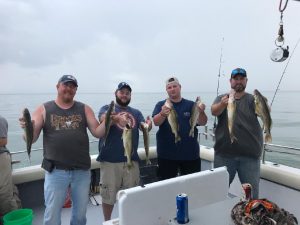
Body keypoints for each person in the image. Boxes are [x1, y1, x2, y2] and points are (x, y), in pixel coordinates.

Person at [20, 75, 106, 225]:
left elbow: (98, 133)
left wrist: (109, 120)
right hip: (55, 171)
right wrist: (27, 128)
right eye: (66, 85)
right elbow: (31, 138)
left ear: (76, 90)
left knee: (80, 214)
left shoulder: (84, 108)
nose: (69, 88)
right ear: (57, 86)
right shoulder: (44, 108)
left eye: (73, 86)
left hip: (81, 170)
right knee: (52, 214)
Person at [97, 82, 152, 221]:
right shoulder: (107, 108)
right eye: (122, 92)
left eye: (127, 93)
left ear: (130, 95)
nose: (124, 95)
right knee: (108, 196)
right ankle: (108, 221)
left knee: (131, 195)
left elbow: (143, 127)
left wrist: (148, 125)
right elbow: (103, 117)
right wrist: (116, 118)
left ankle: (130, 220)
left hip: (131, 160)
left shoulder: (136, 112)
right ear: (116, 93)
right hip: (109, 160)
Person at [211, 68, 263, 199]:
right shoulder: (222, 98)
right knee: (218, 193)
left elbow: (263, 113)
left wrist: (262, 102)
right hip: (224, 155)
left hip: (250, 156)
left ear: (246, 81)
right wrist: (223, 104)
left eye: (241, 79)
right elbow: (214, 111)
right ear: (230, 81)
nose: (238, 81)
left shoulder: (252, 99)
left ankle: (250, 218)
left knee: (252, 196)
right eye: (236, 79)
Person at [152, 77, 207, 180]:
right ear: (166, 90)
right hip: (166, 155)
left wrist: (202, 112)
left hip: (190, 155)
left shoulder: (191, 105)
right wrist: (162, 114)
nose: (172, 89)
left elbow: (202, 122)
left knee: (192, 187)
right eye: (169, 87)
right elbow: (156, 122)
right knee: (167, 187)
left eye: (174, 86)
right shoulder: (161, 105)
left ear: (180, 87)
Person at [0, 115, 21, 223]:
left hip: (1, 158)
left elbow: (3, 141)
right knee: (9, 190)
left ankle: (12, 220)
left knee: (5, 194)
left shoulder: (1, 119)